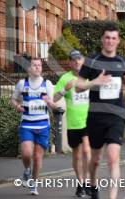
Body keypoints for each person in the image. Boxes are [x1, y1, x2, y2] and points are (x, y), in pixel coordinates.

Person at [75, 24, 125, 199]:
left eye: (114, 38)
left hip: (116, 115)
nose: (110, 41)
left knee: (113, 158)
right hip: (95, 117)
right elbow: (78, 87)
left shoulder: (122, 61)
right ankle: (93, 186)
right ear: (102, 39)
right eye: (107, 37)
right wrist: (95, 82)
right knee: (95, 160)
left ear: (118, 41)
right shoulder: (91, 61)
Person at [11, 57, 56, 195]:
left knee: (37, 157)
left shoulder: (47, 84)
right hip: (27, 124)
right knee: (26, 154)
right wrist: (17, 106)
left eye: (39, 65)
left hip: (43, 125)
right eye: (34, 65)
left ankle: (34, 184)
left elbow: (53, 105)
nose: (37, 67)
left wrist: (49, 102)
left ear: (41, 68)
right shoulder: (22, 83)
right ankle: (27, 171)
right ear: (29, 68)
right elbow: (13, 99)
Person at [53, 50, 91, 197]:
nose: (76, 62)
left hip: (89, 122)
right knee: (76, 155)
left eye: (79, 59)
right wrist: (64, 90)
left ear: (83, 61)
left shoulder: (89, 77)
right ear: (70, 62)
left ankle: (87, 182)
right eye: (74, 60)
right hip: (73, 124)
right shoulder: (65, 78)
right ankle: (80, 183)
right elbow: (54, 98)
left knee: (87, 152)